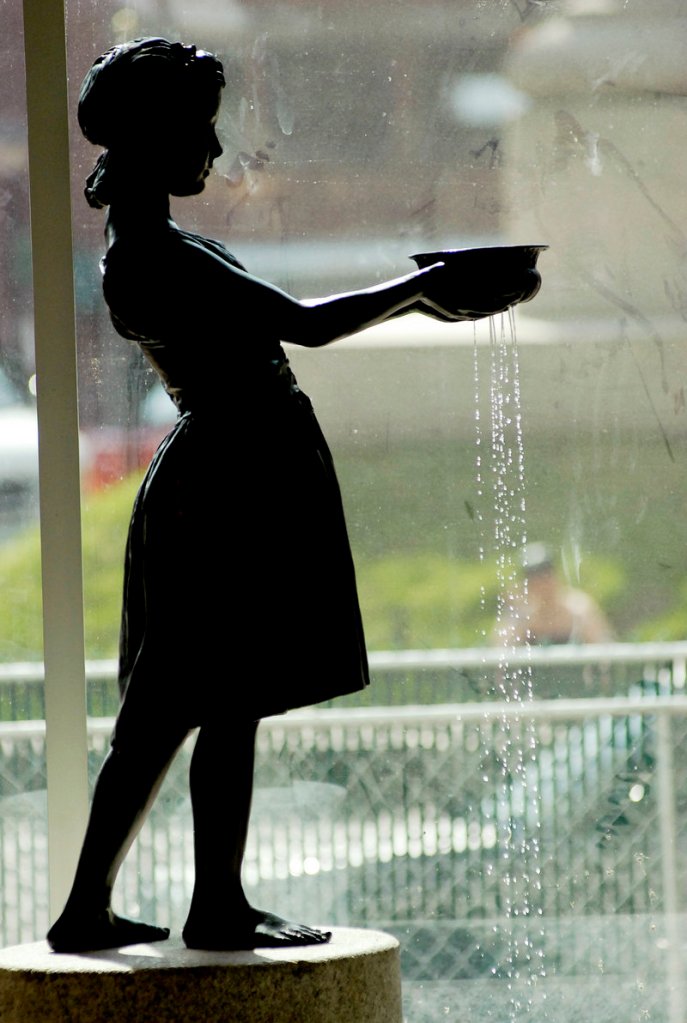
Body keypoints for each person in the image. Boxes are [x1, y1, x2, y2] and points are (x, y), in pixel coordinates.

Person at [47, 37, 542, 954]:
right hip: (229, 482)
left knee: (211, 703)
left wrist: (423, 293)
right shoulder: (156, 255)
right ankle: (122, 906)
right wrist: (427, 287)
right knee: (173, 710)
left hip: (234, 475)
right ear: (156, 137)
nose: (214, 151)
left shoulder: (155, 245)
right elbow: (307, 326)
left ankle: (186, 903)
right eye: (199, 129)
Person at [497, 542, 614, 646]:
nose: (541, 584)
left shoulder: (578, 608)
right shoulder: (521, 612)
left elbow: (603, 649)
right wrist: (522, 620)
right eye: (534, 579)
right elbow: (499, 653)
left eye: (545, 576)